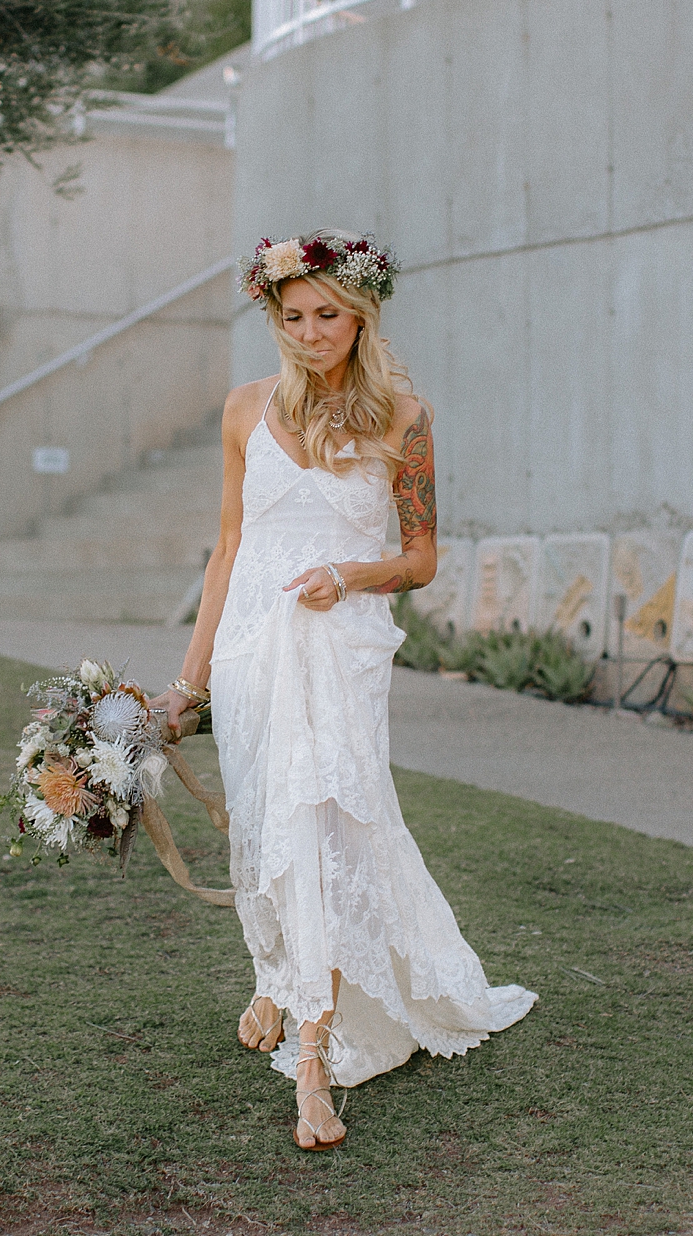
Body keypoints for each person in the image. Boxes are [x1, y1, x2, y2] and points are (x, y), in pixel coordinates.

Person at [152, 231, 536, 1151]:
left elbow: (422, 559)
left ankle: (315, 1062)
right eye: (293, 317)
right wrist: (188, 685)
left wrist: (347, 575)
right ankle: (276, 978)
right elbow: (228, 552)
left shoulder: (405, 418)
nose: (311, 332)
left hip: (340, 649)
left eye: (328, 315)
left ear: (361, 317)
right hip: (253, 650)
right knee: (266, 822)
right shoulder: (245, 410)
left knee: (327, 831)